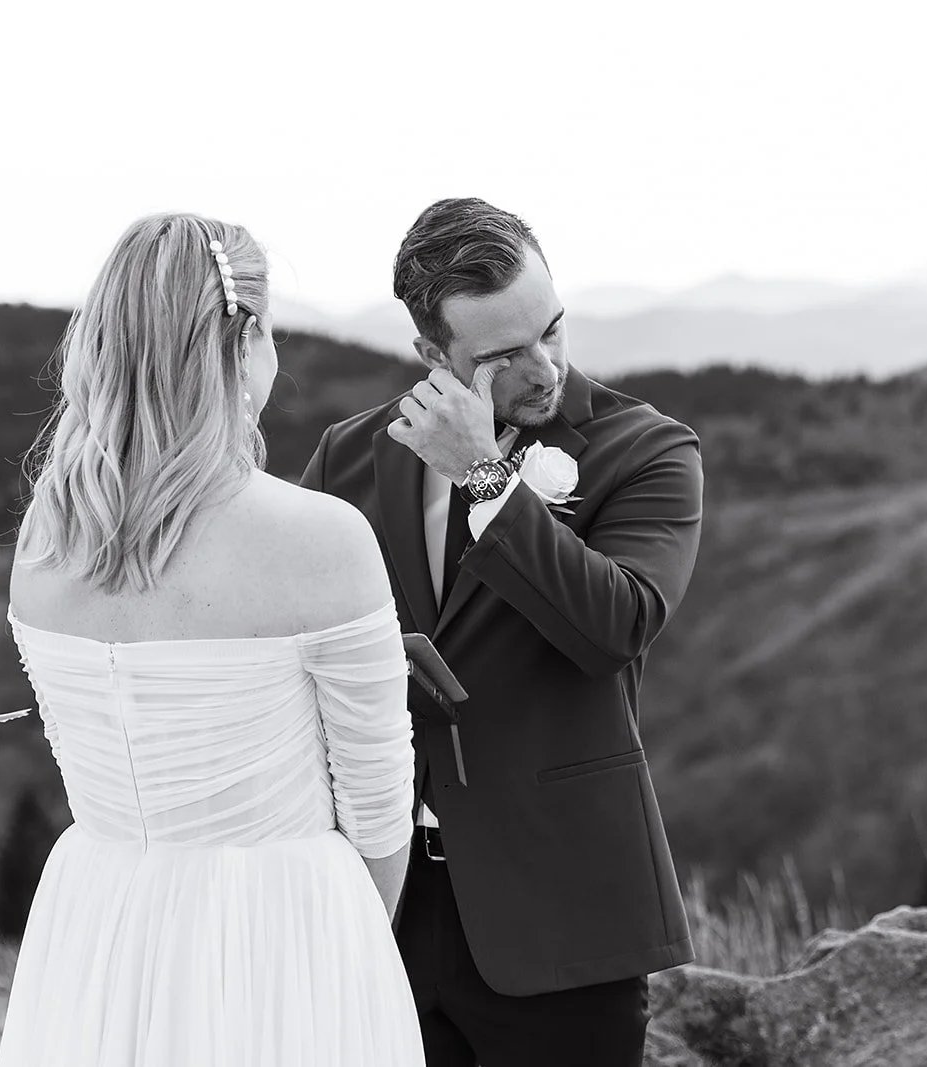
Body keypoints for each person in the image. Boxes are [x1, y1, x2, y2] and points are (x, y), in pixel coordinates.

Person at [0, 212, 423, 1066]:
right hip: (286, 931)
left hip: (99, 929)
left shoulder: (43, 545)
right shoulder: (322, 539)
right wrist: (337, 945)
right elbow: (379, 817)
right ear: (249, 336)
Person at [300, 197, 703, 1067]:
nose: (544, 366)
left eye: (552, 329)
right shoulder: (349, 455)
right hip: (382, 910)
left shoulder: (648, 449)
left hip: (563, 915)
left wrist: (488, 480)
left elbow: (616, 626)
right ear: (432, 355)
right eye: (505, 354)